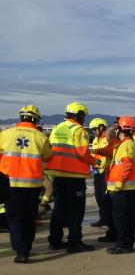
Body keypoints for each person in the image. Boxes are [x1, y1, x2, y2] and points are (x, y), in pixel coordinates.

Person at [0, 105, 53, 263]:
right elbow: (48, 157)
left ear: (20, 117)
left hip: (9, 185)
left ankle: (20, 252)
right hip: (31, 186)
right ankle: (27, 250)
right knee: (29, 218)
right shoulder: (40, 137)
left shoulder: (5, 134)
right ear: (36, 120)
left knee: (15, 218)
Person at [45, 102, 96, 252]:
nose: (84, 119)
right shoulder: (79, 130)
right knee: (76, 211)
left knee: (59, 210)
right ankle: (75, 242)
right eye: (83, 116)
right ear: (79, 115)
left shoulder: (57, 128)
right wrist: (96, 161)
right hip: (74, 176)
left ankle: (54, 241)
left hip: (58, 175)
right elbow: (83, 153)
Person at [105, 116, 135, 254]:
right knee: (127, 216)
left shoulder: (126, 145)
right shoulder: (126, 143)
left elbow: (126, 166)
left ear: (120, 128)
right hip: (127, 187)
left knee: (120, 218)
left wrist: (119, 184)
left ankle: (123, 244)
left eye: (117, 126)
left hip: (124, 188)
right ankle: (126, 243)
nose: (115, 128)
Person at [89, 118, 109, 227]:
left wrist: (100, 166)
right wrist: (92, 165)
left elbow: (107, 156)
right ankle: (103, 218)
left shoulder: (107, 139)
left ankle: (108, 219)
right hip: (97, 171)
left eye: (94, 129)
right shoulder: (95, 140)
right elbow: (93, 154)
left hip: (105, 171)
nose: (93, 132)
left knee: (105, 197)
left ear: (101, 128)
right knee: (98, 197)